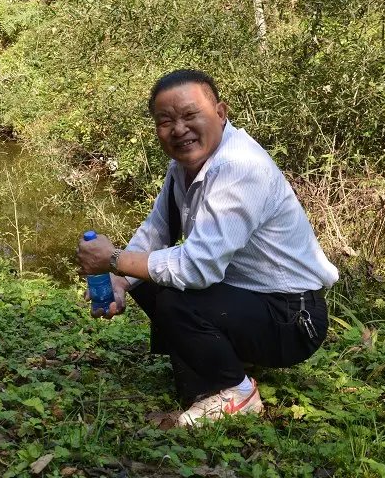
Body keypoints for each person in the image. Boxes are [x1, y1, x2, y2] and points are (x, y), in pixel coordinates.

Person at [77, 69, 338, 428]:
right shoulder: (183, 167)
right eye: (165, 121)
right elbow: (157, 230)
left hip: (293, 319)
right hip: (253, 300)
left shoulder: (239, 168)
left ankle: (236, 390)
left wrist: (114, 259)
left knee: (173, 293)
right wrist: (119, 279)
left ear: (220, 112)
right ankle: (226, 360)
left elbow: (197, 268)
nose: (178, 129)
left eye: (189, 115)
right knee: (148, 277)